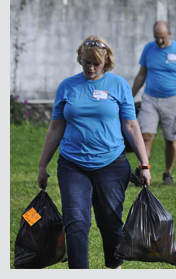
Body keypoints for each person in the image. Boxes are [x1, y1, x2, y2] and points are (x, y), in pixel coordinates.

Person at [37, 35, 151, 269]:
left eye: (96, 63)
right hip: (72, 164)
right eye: (86, 61)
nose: (91, 67)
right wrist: (42, 166)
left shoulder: (118, 86)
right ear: (80, 59)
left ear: (106, 61)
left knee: (110, 223)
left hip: (111, 164)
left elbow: (131, 126)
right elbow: (56, 128)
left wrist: (145, 164)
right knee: (76, 222)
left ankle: (114, 266)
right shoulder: (67, 86)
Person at [131, 20, 176, 185]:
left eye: (162, 37)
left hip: (172, 100)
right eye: (156, 38)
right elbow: (141, 75)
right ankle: (143, 170)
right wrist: (130, 97)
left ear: (169, 34)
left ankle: (168, 173)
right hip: (150, 99)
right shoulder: (148, 49)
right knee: (146, 136)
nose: (159, 41)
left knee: (170, 139)